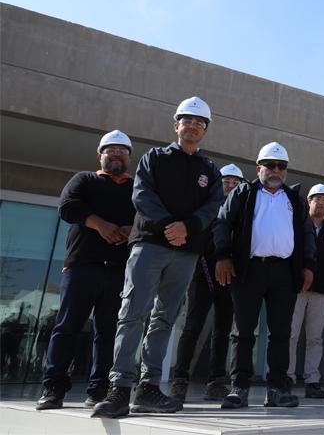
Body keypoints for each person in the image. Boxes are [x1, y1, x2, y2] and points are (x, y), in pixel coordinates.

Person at [92, 97, 224, 418]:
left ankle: (148, 388)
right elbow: (142, 194)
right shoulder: (154, 158)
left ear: (205, 130)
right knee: (133, 313)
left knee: (164, 318)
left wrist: (187, 228)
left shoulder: (209, 170)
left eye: (199, 122)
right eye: (186, 120)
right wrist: (169, 225)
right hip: (149, 244)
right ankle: (119, 388)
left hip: (186, 251)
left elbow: (211, 208)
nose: (192, 126)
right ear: (176, 125)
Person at [36, 130, 135, 411]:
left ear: (129, 157)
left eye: (122, 150)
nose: (116, 154)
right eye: (110, 150)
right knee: (66, 327)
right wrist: (101, 226)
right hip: (81, 267)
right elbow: (68, 206)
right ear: (100, 155)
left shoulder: (136, 188)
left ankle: (99, 390)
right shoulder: (84, 179)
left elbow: (146, 215)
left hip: (118, 271)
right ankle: (53, 388)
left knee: (107, 332)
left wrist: (130, 230)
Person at [213, 142, 316, 409]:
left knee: (281, 332)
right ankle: (240, 388)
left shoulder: (294, 199)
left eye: (281, 166)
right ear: (259, 168)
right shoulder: (243, 193)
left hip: (284, 272)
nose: (276, 171)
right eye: (270, 165)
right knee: (243, 331)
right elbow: (222, 222)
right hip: (248, 270)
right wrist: (223, 256)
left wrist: (308, 266)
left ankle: (278, 389)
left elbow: (307, 234)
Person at [169, 163, 243, 403]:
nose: (230, 185)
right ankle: (179, 379)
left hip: (230, 276)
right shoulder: (206, 205)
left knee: (222, 330)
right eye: (226, 181)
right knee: (193, 326)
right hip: (202, 273)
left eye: (235, 182)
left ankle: (216, 381)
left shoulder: (242, 210)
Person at [287, 183, 324, 399]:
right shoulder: (298, 226)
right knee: (291, 334)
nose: (320, 202)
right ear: (309, 201)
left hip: (320, 292)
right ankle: (287, 376)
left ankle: (312, 380)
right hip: (297, 289)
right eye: (316, 198)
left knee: (315, 338)